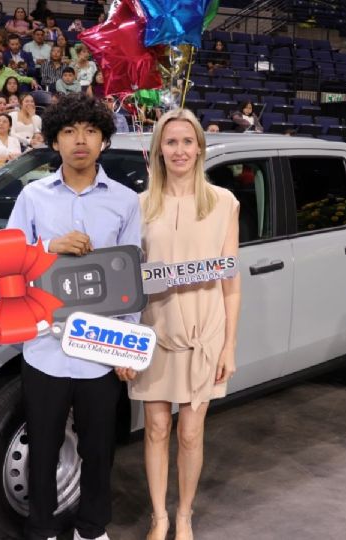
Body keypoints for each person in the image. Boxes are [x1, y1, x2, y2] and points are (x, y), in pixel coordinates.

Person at [5, 93, 140, 540]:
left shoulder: (125, 202)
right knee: (42, 447)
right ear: (55, 141)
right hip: (44, 345)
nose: (80, 140)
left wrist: (127, 346)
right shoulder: (33, 197)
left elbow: (132, 283)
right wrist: (49, 247)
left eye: (90, 131)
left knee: (99, 447)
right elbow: (7, 262)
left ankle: (92, 527)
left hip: (100, 348)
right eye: (69, 131)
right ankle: (40, 529)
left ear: (103, 140)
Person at [128, 108, 239, 540]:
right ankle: (159, 516)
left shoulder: (224, 202)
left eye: (187, 142)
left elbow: (231, 283)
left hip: (204, 334)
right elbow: (127, 282)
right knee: (156, 427)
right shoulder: (138, 206)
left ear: (199, 147)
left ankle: (185, 515)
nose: (180, 150)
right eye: (171, 142)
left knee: (190, 432)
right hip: (155, 333)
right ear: (159, 149)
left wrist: (229, 346)